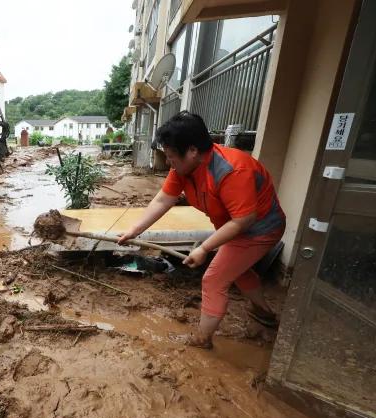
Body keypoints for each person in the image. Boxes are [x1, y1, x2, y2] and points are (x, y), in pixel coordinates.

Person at [118, 111, 285, 349]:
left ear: (193, 150)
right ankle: (265, 314)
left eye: (171, 156)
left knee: (214, 279)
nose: (168, 162)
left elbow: (242, 221)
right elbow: (163, 200)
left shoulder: (232, 170)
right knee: (236, 270)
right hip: (234, 227)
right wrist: (134, 231)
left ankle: (202, 340)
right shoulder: (183, 169)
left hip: (259, 230)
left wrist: (205, 248)